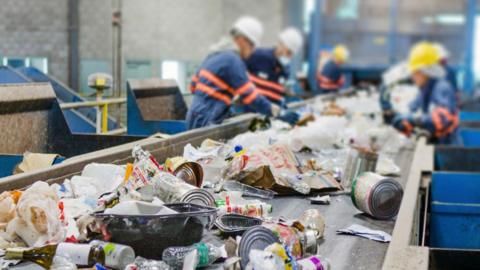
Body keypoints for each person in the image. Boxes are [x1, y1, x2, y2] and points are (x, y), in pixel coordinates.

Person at [186, 16, 297, 130]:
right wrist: (278, 112)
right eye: (252, 45)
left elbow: (193, 86)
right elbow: (250, 96)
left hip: (195, 116)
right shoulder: (233, 60)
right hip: (207, 119)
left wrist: (222, 103)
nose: (253, 50)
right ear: (241, 39)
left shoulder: (214, 54)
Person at [392, 41, 459, 145]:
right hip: (437, 144)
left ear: (425, 71)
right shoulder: (425, 89)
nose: (413, 77)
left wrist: (415, 119)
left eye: (415, 72)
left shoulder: (442, 88)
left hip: (448, 150)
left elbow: (442, 119)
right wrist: (404, 120)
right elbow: (413, 108)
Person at [245, 27, 304, 105]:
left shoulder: (286, 69)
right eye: (288, 52)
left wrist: (286, 91)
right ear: (280, 44)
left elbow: (280, 89)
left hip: (271, 111)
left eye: (291, 54)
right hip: (250, 111)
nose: (288, 57)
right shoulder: (258, 56)